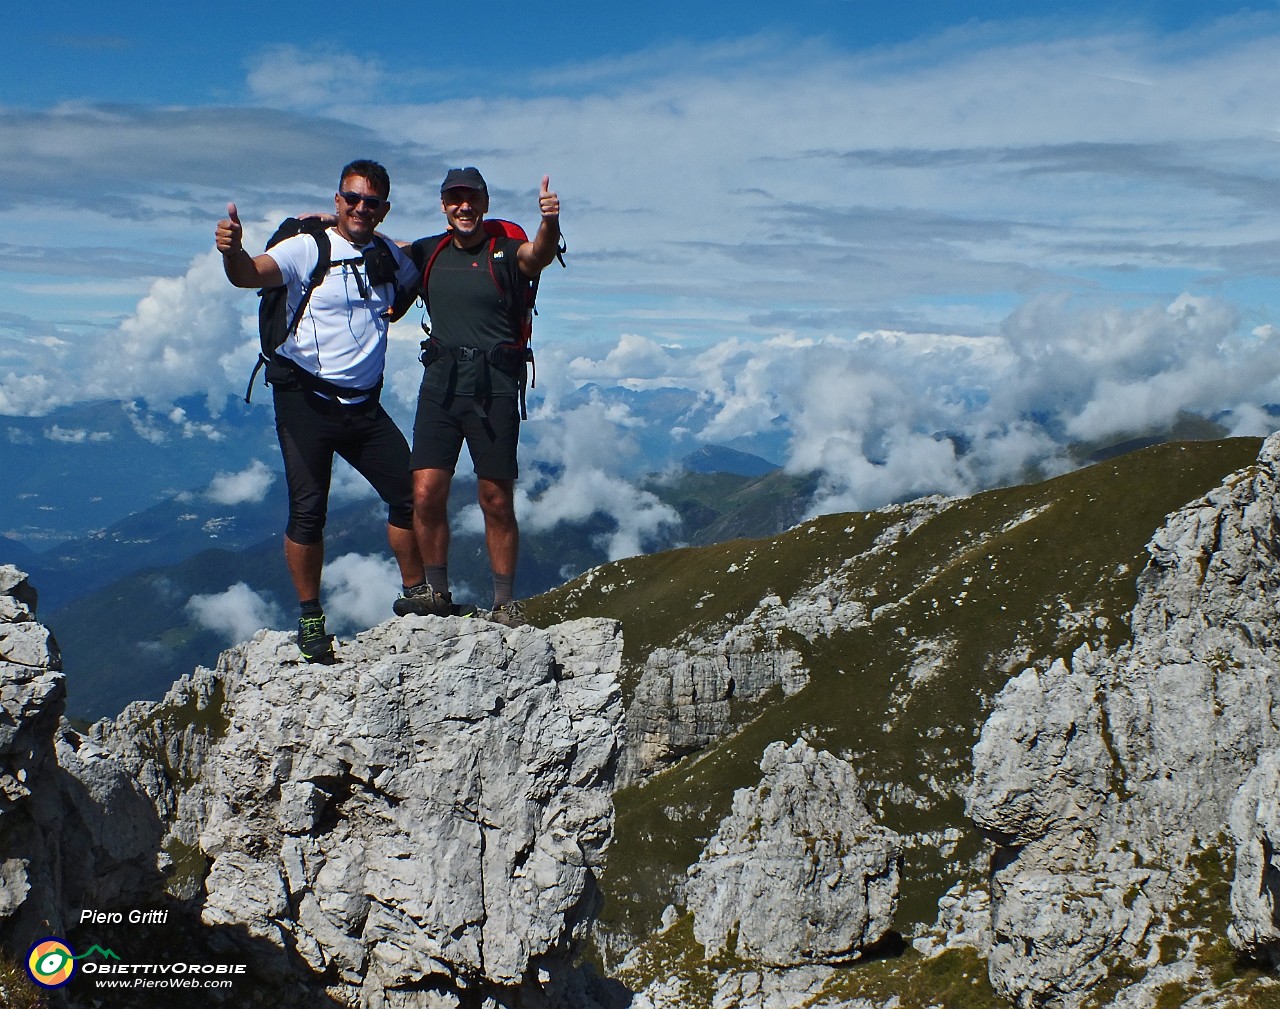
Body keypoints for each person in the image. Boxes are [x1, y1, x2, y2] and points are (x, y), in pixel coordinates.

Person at [214, 158, 426, 662]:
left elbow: (421, 270)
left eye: (370, 202)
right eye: (350, 198)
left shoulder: (391, 258)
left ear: (384, 209)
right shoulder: (307, 247)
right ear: (337, 201)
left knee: (411, 494)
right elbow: (249, 275)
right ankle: (311, 618)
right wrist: (232, 251)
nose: (359, 208)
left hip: (363, 406)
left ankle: (417, 593)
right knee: (308, 512)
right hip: (303, 401)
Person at [392, 168, 562, 627]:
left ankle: (504, 602)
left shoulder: (505, 251)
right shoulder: (428, 251)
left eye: (471, 198)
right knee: (425, 492)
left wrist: (549, 222)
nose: (463, 206)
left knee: (495, 497)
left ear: (485, 203)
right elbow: (374, 245)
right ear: (444, 205)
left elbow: (538, 256)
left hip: (496, 387)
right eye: (454, 199)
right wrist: (330, 219)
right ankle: (436, 592)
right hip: (441, 385)